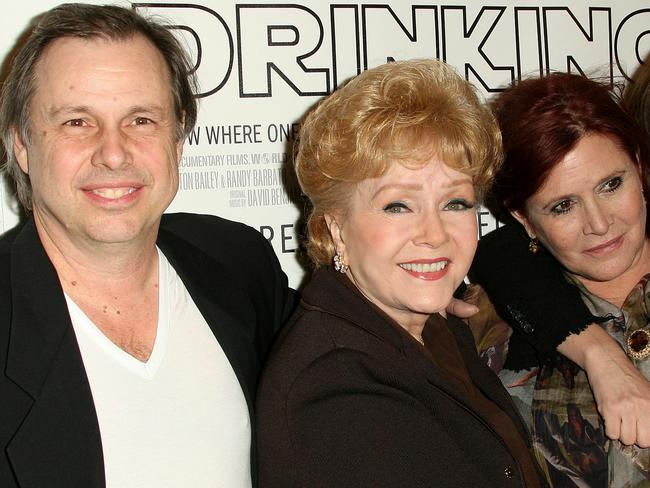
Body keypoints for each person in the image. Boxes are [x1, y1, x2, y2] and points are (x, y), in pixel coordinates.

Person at [0, 4, 292, 487]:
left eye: (141, 120)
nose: (114, 153)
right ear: (22, 146)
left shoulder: (239, 261)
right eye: (77, 121)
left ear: (177, 142)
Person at [256, 59, 544, 487]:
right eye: (398, 206)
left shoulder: (428, 325)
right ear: (336, 229)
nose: (434, 234)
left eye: (456, 203)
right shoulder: (337, 388)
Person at [468, 72, 650, 487]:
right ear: (523, 219)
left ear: (639, 167)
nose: (600, 224)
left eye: (611, 184)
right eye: (563, 205)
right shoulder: (486, 325)